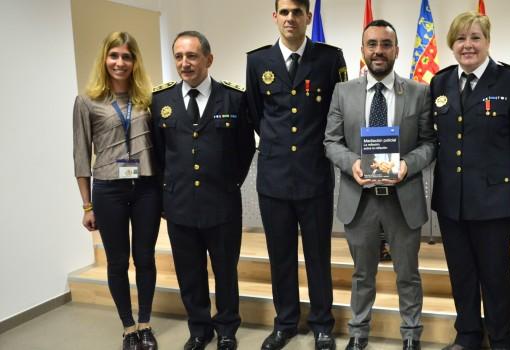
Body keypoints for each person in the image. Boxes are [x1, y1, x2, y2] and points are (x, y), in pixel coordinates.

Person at [429, 12, 510, 350]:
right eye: (461, 39)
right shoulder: (441, 82)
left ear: (487, 41)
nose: (468, 45)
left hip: (494, 200)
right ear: (452, 45)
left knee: (494, 275)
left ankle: (501, 337)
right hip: (452, 200)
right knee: (461, 274)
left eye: (475, 37)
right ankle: (467, 335)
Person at [324, 19, 436, 350]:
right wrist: (353, 163)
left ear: (397, 51)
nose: (378, 51)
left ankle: (411, 334)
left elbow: (430, 143)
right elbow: (331, 142)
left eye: (385, 44)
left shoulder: (419, 92)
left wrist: (407, 165)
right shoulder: (342, 92)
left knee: (408, 274)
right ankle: (358, 333)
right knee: (362, 274)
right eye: (371, 44)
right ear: (362, 50)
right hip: (360, 198)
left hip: (403, 196)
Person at [245, 0, 347, 349]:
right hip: (274, 178)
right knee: (281, 255)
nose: (290, 18)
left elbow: (337, 114)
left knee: (318, 255)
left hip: (315, 175)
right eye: (284, 12)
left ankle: (322, 324)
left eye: (297, 12)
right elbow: (257, 116)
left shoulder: (330, 58)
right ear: (275, 17)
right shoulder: (257, 61)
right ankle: (285, 322)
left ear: (308, 17)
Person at [150, 31, 254, 350]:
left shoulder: (234, 98)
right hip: (179, 205)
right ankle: (199, 328)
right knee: (189, 273)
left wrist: (227, 182)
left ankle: (226, 328)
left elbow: (245, 149)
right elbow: (157, 153)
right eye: (179, 56)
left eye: (192, 56)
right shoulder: (160, 100)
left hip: (222, 203)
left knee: (225, 271)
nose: (185, 63)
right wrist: (166, 193)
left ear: (208, 59)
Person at [73, 31, 160, 350]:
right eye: (114, 56)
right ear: (104, 60)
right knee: (117, 261)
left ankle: (146, 323)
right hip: (108, 189)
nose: (120, 62)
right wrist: (86, 205)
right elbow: (81, 156)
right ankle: (128, 327)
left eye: (126, 56)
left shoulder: (147, 100)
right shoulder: (87, 102)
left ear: (135, 61)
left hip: (147, 188)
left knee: (146, 257)